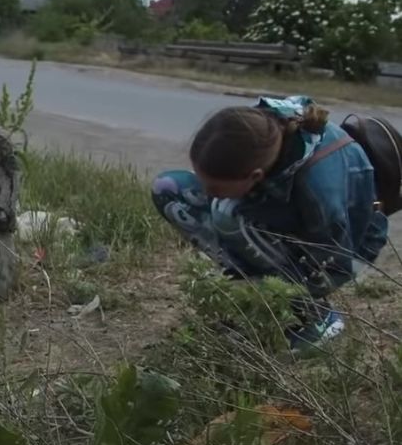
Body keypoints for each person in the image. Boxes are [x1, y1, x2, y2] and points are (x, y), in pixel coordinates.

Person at [152, 96, 389, 349]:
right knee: (168, 189)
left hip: (344, 249)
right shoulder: (259, 132)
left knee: (227, 213)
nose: (207, 194)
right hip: (279, 211)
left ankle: (315, 317)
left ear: (255, 175)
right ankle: (249, 280)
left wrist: (282, 292)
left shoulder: (317, 191)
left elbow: (336, 262)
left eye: (216, 187)